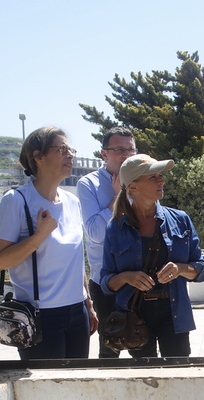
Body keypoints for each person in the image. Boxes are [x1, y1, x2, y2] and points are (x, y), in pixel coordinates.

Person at [0, 126, 97, 360]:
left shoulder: (71, 201)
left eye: (71, 149)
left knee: (77, 384)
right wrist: (40, 236)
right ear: (38, 157)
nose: (70, 155)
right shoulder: (16, 201)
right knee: (48, 390)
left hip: (77, 311)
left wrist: (88, 303)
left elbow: (77, 261)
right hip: (41, 315)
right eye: (61, 149)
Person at [101, 154, 204, 358]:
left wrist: (179, 269)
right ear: (133, 187)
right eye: (153, 177)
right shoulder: (115, 228)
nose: (161, 181)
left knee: (178, 375)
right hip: (135, 315)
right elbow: (106, 282)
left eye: (160, 175)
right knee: (145, 378)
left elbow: (199, 268)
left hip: (174, 312)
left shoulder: (180, 219)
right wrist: (126, 277)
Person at [77, 127, 137, 359]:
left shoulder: (141, 179)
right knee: (110, 349)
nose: (126, 155)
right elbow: (95, 233)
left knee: (143, 346)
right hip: (106, 284)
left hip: (138, 279)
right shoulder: (88, 184)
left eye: (130, 149)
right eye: (119, 150)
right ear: (104, 154)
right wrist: (119, 196)